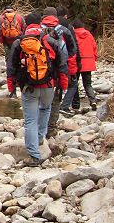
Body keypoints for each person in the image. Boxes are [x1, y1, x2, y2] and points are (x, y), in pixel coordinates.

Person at [6, 20, 68, 166]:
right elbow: (62, 64)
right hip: (48, 86)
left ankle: (34, 155)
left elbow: (11, 68)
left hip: (29, 87)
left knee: (30, 121)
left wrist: (11, 88)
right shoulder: (50, 42)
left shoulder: (18, 44)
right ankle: (40, 138)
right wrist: (63, 86)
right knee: (45, 109)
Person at [41, 7, 78, 135]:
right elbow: (73, 51)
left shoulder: (35, 29)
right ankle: (50, 129)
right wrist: (70, 71)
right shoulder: (64, 30)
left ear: (43, 16)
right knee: (56, 99)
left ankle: (39, 128)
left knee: (39, 100)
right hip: (58, 70)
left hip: (39, 70)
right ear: (56, 17)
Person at [72, 19, 98, 111]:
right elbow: (94, 47)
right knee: (87, 84)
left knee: (74, 84)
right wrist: (94, 58)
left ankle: (75, 104)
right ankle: (93, 101)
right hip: (88, 62)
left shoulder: (73, 35)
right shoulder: (88, 34)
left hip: (77, 62)